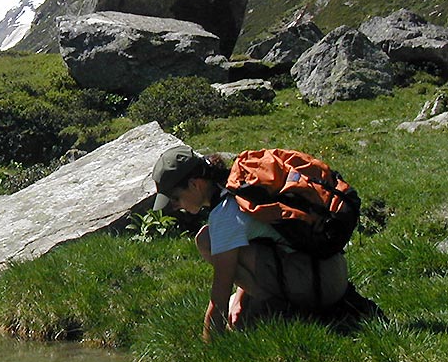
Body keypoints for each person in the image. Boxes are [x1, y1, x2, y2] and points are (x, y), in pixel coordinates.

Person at [151, 144, 377, 340]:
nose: (175, 206)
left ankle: (281, 309)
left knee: (209, 242)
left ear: (195, 184)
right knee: (208, 238)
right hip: (329, 270)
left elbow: (219, 294)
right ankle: (265, 303)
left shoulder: (224, 215)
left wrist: (208, 345)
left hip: (322, 286)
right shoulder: (239, 183)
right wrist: (240, 298)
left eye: (175, 199)